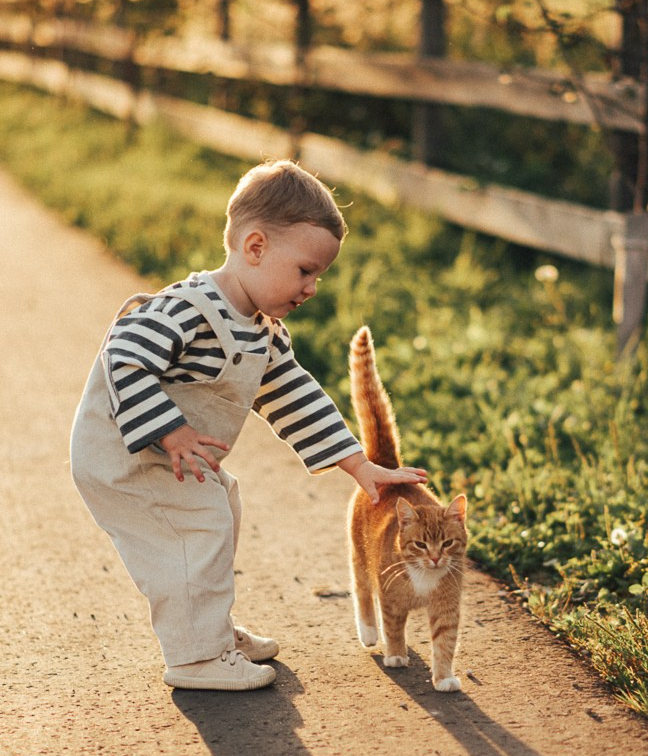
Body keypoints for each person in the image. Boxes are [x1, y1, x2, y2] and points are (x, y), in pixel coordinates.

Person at [70, 158, 427, 692]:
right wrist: (172, 433)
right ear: (255, 247)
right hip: (125, 452)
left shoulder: (262, 331)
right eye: (306, 270)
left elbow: (295, 395)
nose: (312, 288)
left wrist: (359, 464)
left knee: (223, 511)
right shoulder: (184, 309)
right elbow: (124, 356)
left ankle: (208, 630)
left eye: (319, 276)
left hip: (172, 458)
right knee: (201, 528)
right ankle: (195, 658)